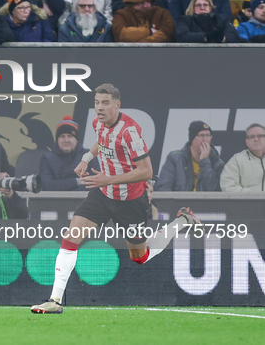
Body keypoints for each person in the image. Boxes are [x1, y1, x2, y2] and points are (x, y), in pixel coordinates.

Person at [31, 83, 202, 314]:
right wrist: (85, 157)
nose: (99, 108)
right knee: (71, 237)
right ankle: (55, 301)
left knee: (139, 257)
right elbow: (102, 143)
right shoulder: (97, 123)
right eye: (96, 103)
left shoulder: (130, 131)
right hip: (103, 195)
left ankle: (181, 221)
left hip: (131, 201)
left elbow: (147, 172)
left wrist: (108, 180)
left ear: (117, 105)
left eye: (105, 103)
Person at [156, 120, 225, 191]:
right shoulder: (175, 159)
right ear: (192, 138)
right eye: (201, 135)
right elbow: (163, 187)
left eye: (208, 135)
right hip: (180, 201)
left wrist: (205, 161)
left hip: (204, 202)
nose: (205, 139)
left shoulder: (218, 163)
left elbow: (214, 191)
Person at [39, 115, 100, 191]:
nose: (66, 140)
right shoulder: (47, 158)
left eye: (70, 136)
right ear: (57, 140)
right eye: (62, 136)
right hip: (55, 201)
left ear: (76, 140)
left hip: (84, 200)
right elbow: (46, 185)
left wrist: (66, 190)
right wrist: (77, 181)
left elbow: (96, 183)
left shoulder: (89, 155)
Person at [175, 0, 240, 43]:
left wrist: (222, 38)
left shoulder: (221, 19)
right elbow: (181, 35)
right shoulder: (184, 20)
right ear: (193, 7)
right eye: (198, 5)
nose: (202, 8)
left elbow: (235, 35)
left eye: (205, 5)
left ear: (210, 7)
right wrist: (205, 37)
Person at [221, 123, 265, 192]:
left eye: (260, 136)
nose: (256, 139)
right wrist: (250, 196)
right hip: (248, 202)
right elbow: (227, 185)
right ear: (247, 141)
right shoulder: (237, 160)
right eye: (252, 137)